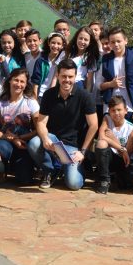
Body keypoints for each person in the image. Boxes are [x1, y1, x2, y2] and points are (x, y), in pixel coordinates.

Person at [28, 59, 98, 190]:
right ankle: (51, 170)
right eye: (63, 76)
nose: (67, 80)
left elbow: (93, 125)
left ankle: (70, 168)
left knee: (74, 184)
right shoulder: (49, 95)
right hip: (53, 142)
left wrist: (83, 151)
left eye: (70, 76)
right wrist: (45, 138)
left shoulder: (85, 96)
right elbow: (41, 122)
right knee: (34, 143)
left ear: (75, 76)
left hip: (73, 147)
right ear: (57, 76)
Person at [0, 68, 39, 185]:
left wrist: (21, 139)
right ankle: (1, 169)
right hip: (5, 140)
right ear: (9, 80)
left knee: (24, 180)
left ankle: (19, 167)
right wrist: (14, 139)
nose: (18, 84)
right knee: (2, 148)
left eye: (22, 81)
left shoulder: (31, 102)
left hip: (24, 142)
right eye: (16, 80)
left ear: (26, 84)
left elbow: (38, 129)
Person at [93, 96, 133, 194]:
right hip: (108, 158)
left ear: (126, 110)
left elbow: (127, 154)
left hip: (123, 162)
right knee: (102, 143)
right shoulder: (107, 119)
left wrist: (113, 138)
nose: (116, 113)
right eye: (113, 110)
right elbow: (101, 137)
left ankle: (117, 178)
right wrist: (121, 148)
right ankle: (104, 180)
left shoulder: (132, 129)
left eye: (119, 110)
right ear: (109, 111)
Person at [100, 27, 133, 121]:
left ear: (125, 41)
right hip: (110, 107)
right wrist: (110, 84)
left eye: (118, 41)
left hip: (130, 106)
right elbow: (99, 85)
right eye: (112, 42)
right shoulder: (105, 60)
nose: (116, 44)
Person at [31, 32, 65, 101]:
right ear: (49, 43)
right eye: (53, 43)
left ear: (62, 46)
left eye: (59, 44)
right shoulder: (41, 61)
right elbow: (35, 82)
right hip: (40, 95)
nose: (55, 46)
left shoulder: (62, 62)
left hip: (54, 96)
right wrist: (35, 98)